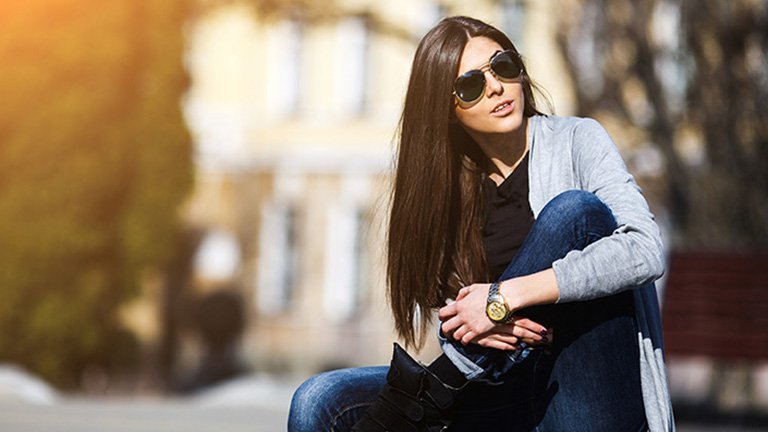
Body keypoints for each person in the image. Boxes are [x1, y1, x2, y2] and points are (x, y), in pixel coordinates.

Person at [288, 15, 674, 432]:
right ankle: (435, 388)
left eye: (503, 66)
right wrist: (484, 322)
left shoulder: (578, 140)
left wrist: (503, 298)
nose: (495, 87)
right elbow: (462, 319)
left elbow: (645, 249)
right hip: (499, 388)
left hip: (586, 384)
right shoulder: (447, 191)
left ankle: (436, 386)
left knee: (574, 212)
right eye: (471, 85)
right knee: (319, 401)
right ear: (447, 111)